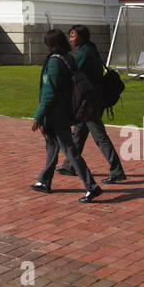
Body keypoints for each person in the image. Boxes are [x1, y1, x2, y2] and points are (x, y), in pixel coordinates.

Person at [30, 29, 102, 202]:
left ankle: (91, 186)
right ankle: (45, 180)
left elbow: (49, 92)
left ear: (50, 45)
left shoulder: (54, 62)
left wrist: (39, 115)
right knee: (52, 146)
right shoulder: (68, 58)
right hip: (65, 110)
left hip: (56, 114)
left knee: (69, 150)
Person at [56, 25, 127, 184]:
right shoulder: (90, 49)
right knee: (78, 133)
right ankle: (70, 165)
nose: (71, 39)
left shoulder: (84, 53)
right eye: (70, 36)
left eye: (73, 36)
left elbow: (72, 72)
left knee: (100, 137)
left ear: (81, 37)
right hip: (92, 99)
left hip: (89, 103)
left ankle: (117, 171)